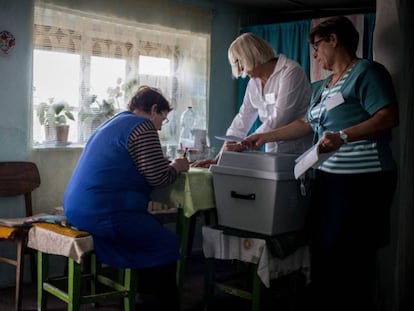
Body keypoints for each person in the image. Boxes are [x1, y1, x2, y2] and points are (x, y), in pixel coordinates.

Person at [243, 16, 398, 311]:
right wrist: (262, 137)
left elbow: (387, 116)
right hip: (328, 178)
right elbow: (305, 123)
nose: (314, 54)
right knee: (323, 248)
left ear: (334, 40)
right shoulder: (322, 86)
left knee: (353, 254)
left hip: (363, 180)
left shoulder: (367, 72)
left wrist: (343, 135)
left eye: (316, 46)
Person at [63, 85, 189, 311]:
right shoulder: (143, 126)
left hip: (77, 207)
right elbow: (158, 177)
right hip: (103, 211)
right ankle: (153, 303)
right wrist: (177, 166)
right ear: (153, 109)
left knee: (148, 230)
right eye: (163, 118)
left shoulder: (114, 122)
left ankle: (138, 295)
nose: (161, 126)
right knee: (166, 243)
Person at [191, 32, 312, 168]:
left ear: (252, 55)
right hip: (272, 154)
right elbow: (242, 120)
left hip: (298, 153)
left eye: (239, 62)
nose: (240, 70)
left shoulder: (290, 72)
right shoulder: (253, 82)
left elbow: (279, 118)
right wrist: (218, 158)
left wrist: (244, 144)